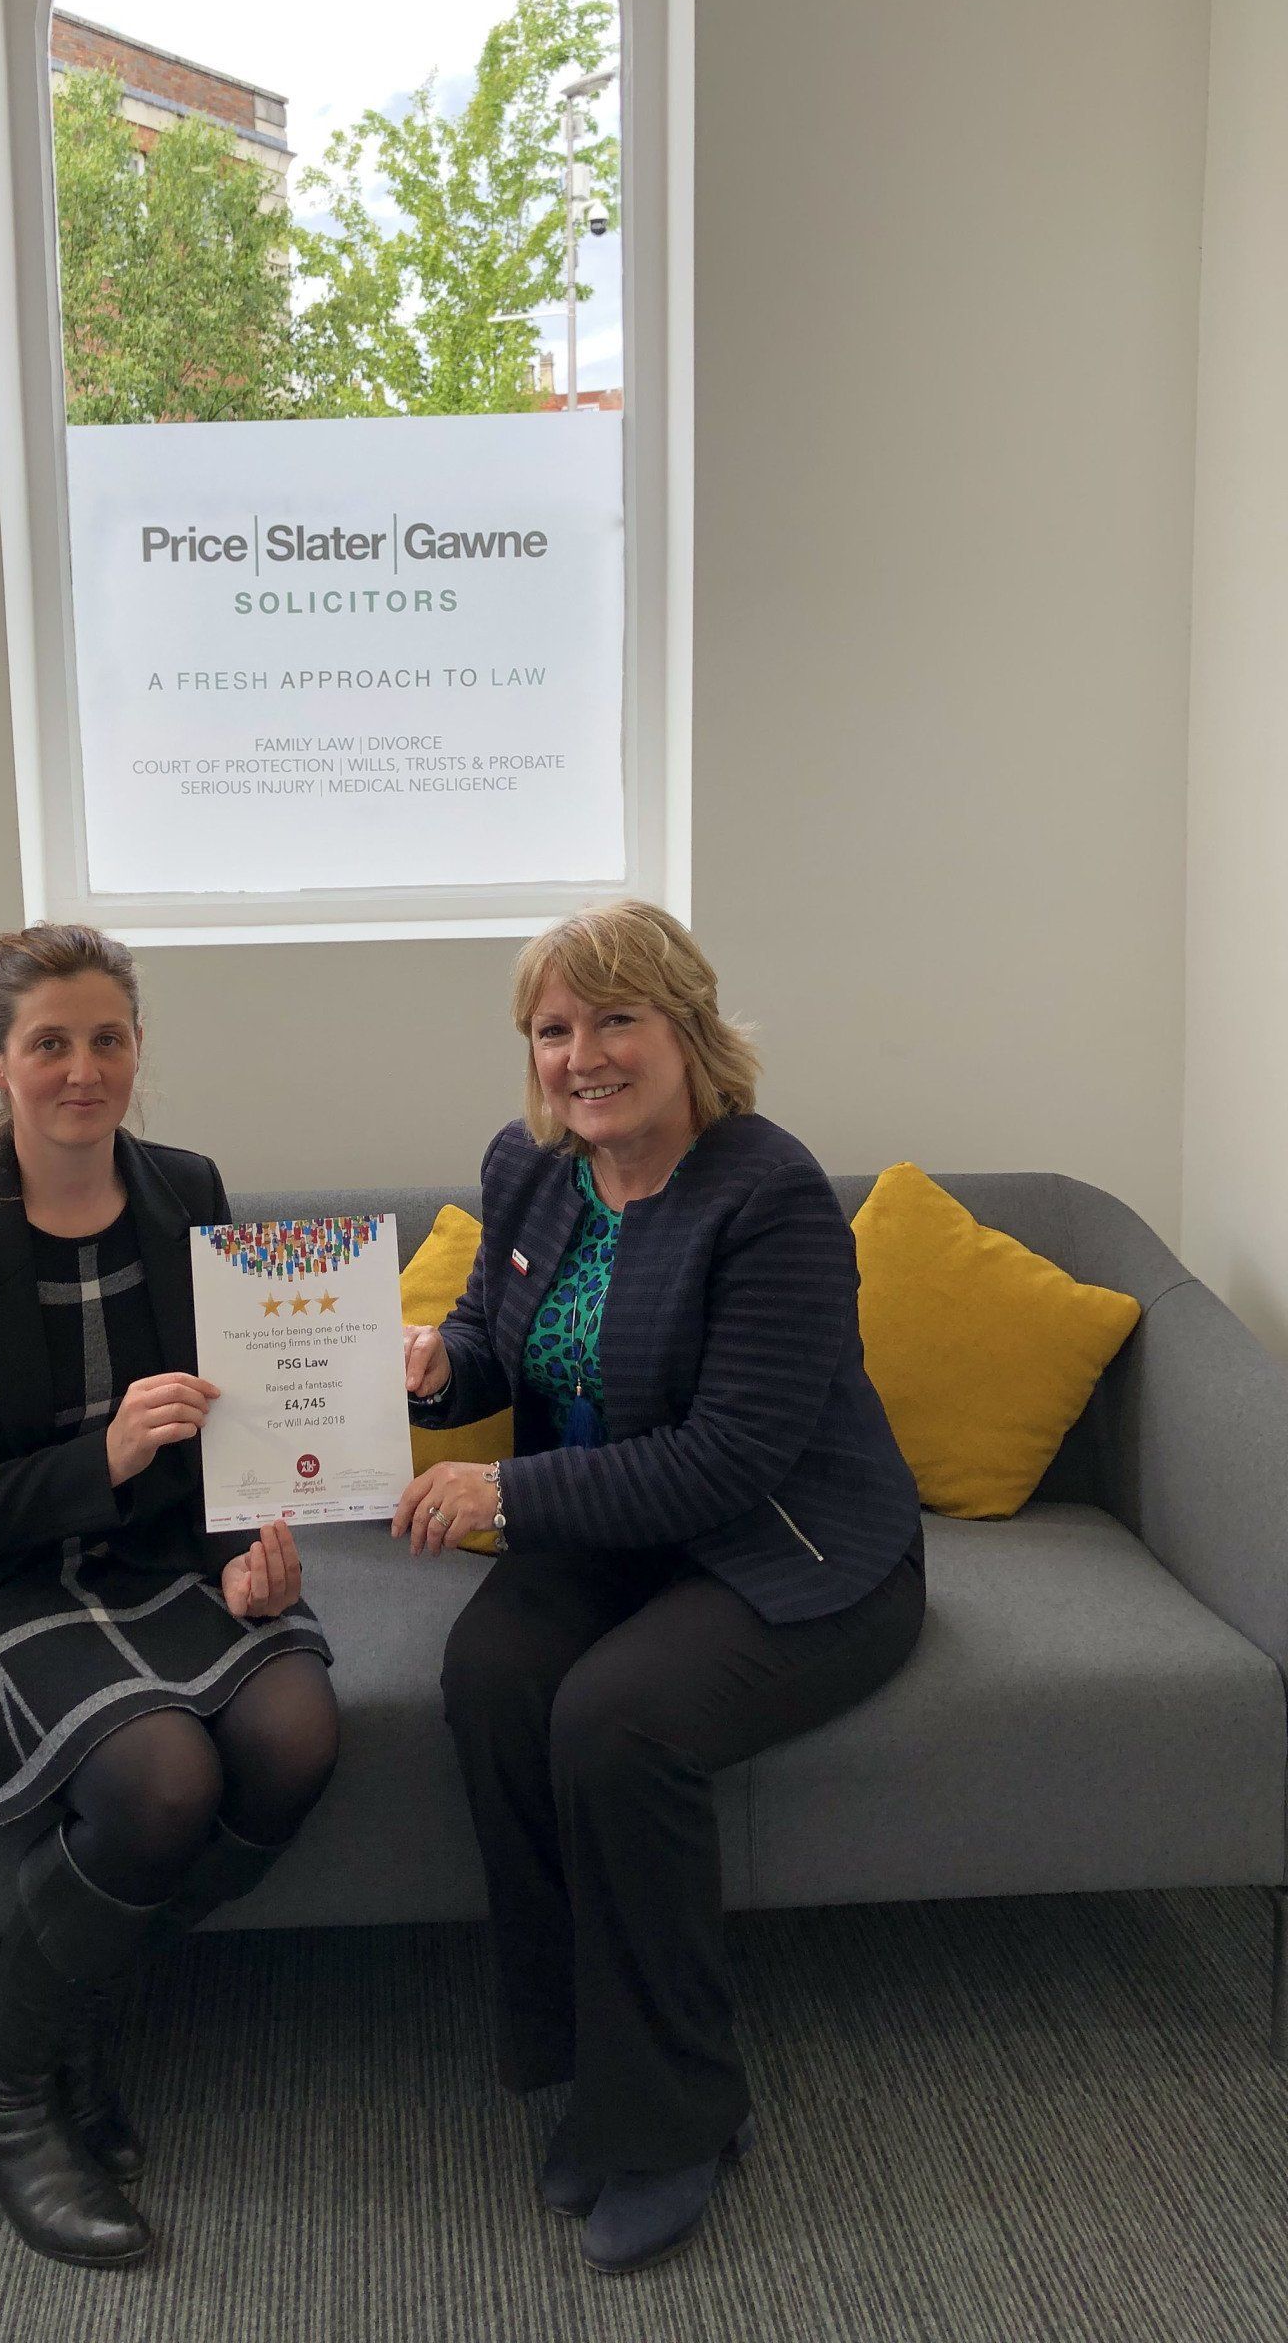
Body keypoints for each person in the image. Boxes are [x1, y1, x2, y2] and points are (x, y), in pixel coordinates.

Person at [393, 900, 924, 2276]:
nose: (583, 1055)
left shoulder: (770, 1194)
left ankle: (680, 2113)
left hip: (790, 1547)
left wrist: (502, 1497)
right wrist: (441, 1368)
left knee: (617, 1720)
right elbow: (499, 1338)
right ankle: (588, 2063)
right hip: (602, 1537)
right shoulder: (531, 1167)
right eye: (554, 1028)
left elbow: (728, 1459)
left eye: (616, 1018)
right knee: (491, 1679)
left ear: (687, 1027)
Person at [0, 924, 337, 2270]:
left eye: (107, 1037)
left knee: (296, 1735)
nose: (82, 1069)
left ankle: (78, 2003)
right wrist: (97, 1457)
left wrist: (249, 1548)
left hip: (152, 1560)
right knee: (162, 1779)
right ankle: (0, 2100)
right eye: (49, 1042)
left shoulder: (187, 1189)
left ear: (137, 1048)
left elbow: (232, 1429)